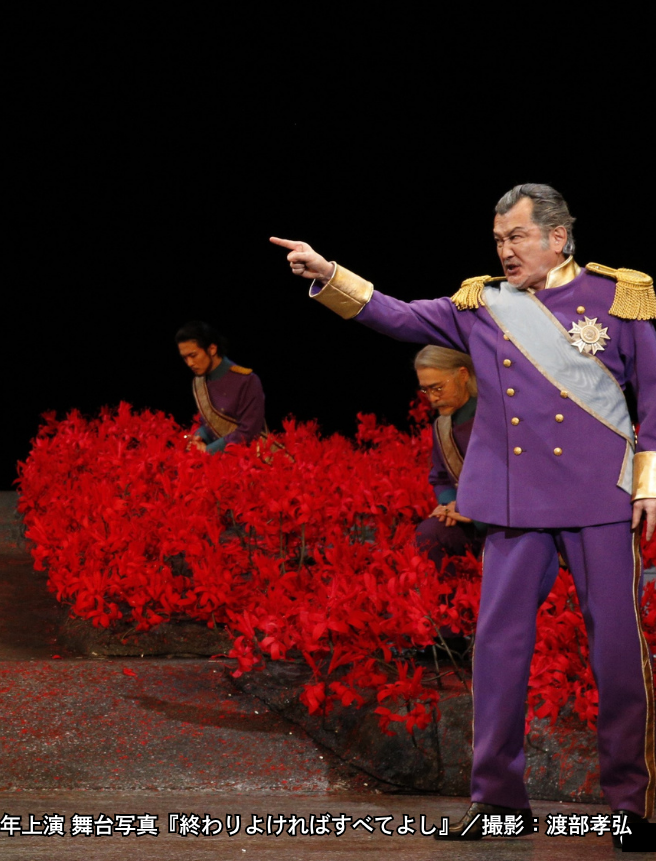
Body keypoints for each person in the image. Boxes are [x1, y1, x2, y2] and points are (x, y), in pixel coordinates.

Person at [272, 183, 655, 848]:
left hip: (600, 497)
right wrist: (328, 273)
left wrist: (649, 484)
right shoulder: (483, 305)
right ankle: (499, 803)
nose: (505, 250)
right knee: (499, 653)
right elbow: (396, 316)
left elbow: (652, 398)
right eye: (499, 239)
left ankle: (633, 809)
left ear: (557, 237)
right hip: (513, 502)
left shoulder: (620, 298)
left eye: (517, 237)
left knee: (618, 656)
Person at [413, 345, 482, 566]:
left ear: (463, 375)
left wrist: (475, 510)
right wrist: (449, 504)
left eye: (438, 388)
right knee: (430, 534)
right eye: (426, 390)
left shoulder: (495, 418)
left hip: (510, 520)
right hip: (467, 519)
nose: (432, 398)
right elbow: (441, 478)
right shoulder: (442, 427)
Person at [175, 321, 267, 453]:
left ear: (212, 349)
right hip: (215, 458)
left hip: (250, 457)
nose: (189, 363)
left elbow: (249, 431)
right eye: (185, 358)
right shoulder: (199, 381)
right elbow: (210, 425)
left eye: (193, 355)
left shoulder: (247, 380)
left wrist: (209, 450)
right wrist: (198, 438)